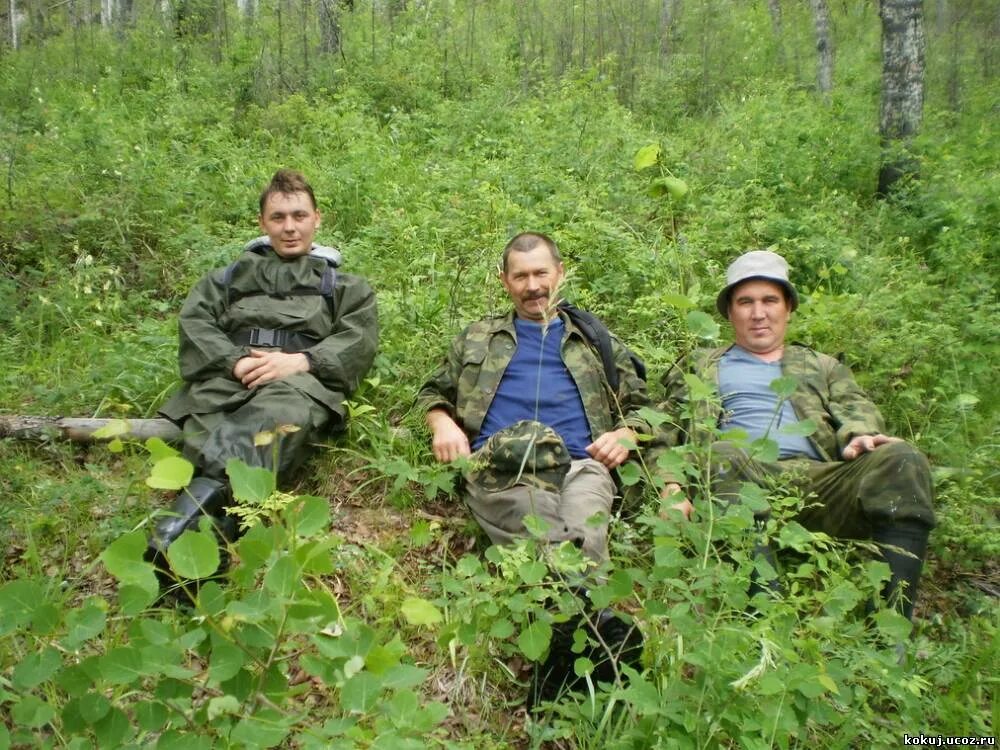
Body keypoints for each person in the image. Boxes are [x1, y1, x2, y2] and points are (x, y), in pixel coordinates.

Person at [416, 232, 655, 703]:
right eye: (520, 276)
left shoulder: (593, 340)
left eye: (540, 273)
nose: (532, 286)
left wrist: (627, 433)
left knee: (587, 529)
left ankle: (565, 649)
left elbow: (646, 407)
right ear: (505, 281)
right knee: (536, 516)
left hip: (583, 464)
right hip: (507, 464)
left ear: (559, 273)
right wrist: (442, 423)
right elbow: (432, 392)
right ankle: (594, 637)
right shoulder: (478, 337)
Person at [659, 249, 935, 621]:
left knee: (903, 458)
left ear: (788, 307)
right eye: (746, 302)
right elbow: (667, 423)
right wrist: (672, 483)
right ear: (729, 312)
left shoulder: (822, 366)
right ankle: (762, 607)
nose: (758, 313)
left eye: (770, 300)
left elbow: (856, 409)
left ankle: (891, 623)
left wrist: (860, 436)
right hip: (736, 477)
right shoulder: (702, 365)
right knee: (724, 451)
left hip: (818, 482)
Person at [148, 169, 378, 586]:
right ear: (263, 222)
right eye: (278, 217)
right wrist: (235, 362)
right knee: (208, 427)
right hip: (228, 379)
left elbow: (357, 339)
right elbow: (196, 323)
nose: (290, 227)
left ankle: (180, 535)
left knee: (279, 416)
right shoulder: (228, 279)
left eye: (299, 215)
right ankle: (200, 554)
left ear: (316, 218)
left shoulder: (344, 286)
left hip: (296, 384)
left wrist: (302, 360)